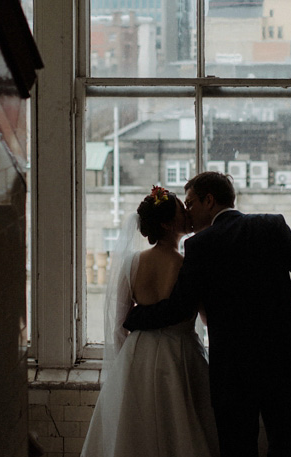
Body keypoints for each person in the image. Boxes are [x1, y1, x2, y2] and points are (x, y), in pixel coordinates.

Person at [124, 171, 291, 457]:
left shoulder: (198, 246)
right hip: (282, 363)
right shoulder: (271, 225)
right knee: (285, 447)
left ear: (209, 200)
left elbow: (179, 308)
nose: (187, 213)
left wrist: (135, 318)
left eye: (190, 204)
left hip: (233, 371)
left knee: (238, 450)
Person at [81, 185, 219, 457]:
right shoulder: (188, 264)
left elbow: (119, 323)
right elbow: (207, 318)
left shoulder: (132, 263)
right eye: (182, 210)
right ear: (168, 224)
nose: (188, 213)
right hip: (181, 352)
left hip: (138, 354)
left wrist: (127, 364)